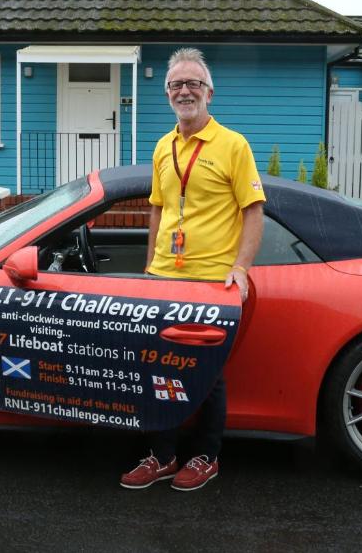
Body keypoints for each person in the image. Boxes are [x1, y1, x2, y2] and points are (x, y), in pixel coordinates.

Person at [120, 48, 265, 491]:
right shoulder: (164, 146)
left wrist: (241, 267)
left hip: (209, 281)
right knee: (158, 368)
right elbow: (158, 212)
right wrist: (149, 268)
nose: (185, 91)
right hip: (164, 277)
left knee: (206, 373)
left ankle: (206, 456)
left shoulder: (233, 145)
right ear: (167, 94)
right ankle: (162, 455)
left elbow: (253, 210)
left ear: (209, 93)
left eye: (193, 84)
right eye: (176, 85)